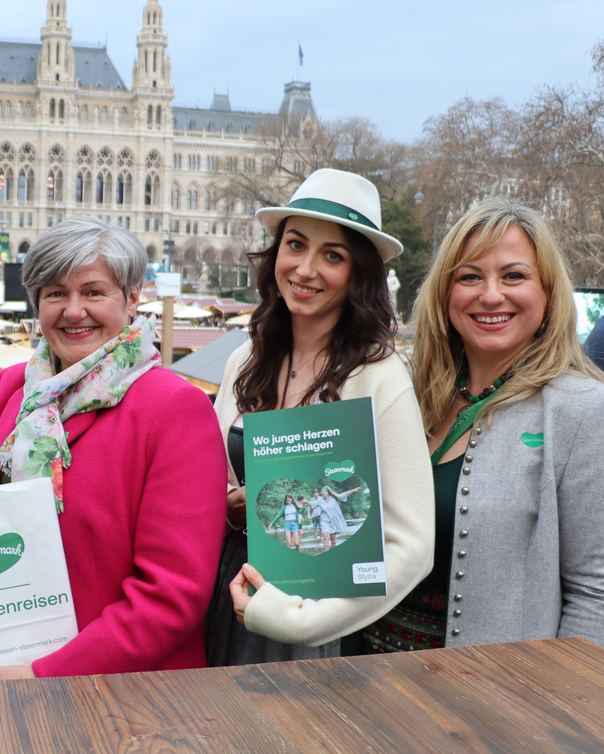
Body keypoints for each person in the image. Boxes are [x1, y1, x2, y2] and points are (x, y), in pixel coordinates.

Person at [0, 216, 228, 713]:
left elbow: (171, 596)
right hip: (2, 685)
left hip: (123, 701)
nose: (73, 311)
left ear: (131, 298)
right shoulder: (13, 386)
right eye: (55, 293)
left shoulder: (173, 408)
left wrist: (39, 676)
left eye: (93, 292)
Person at [213, 169, 434, 663]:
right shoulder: (242, 362)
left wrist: (300, 622)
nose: (306, 269)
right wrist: (230, 504)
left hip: (316, 622)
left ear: (359, 274)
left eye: (332, 255)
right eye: (296, 244)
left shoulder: (379, 378)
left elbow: (413, 545)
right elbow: (211, 483)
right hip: (228, 597)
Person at [367, 198, 604, 653]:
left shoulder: (583, 410)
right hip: (363, 678)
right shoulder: (408, 397)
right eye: (470, 276)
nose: (491, 295)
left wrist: (556, 708)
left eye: (513, 276)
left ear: (549, 293)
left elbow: (595, 594)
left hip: (491, 704)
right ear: (445, 293)